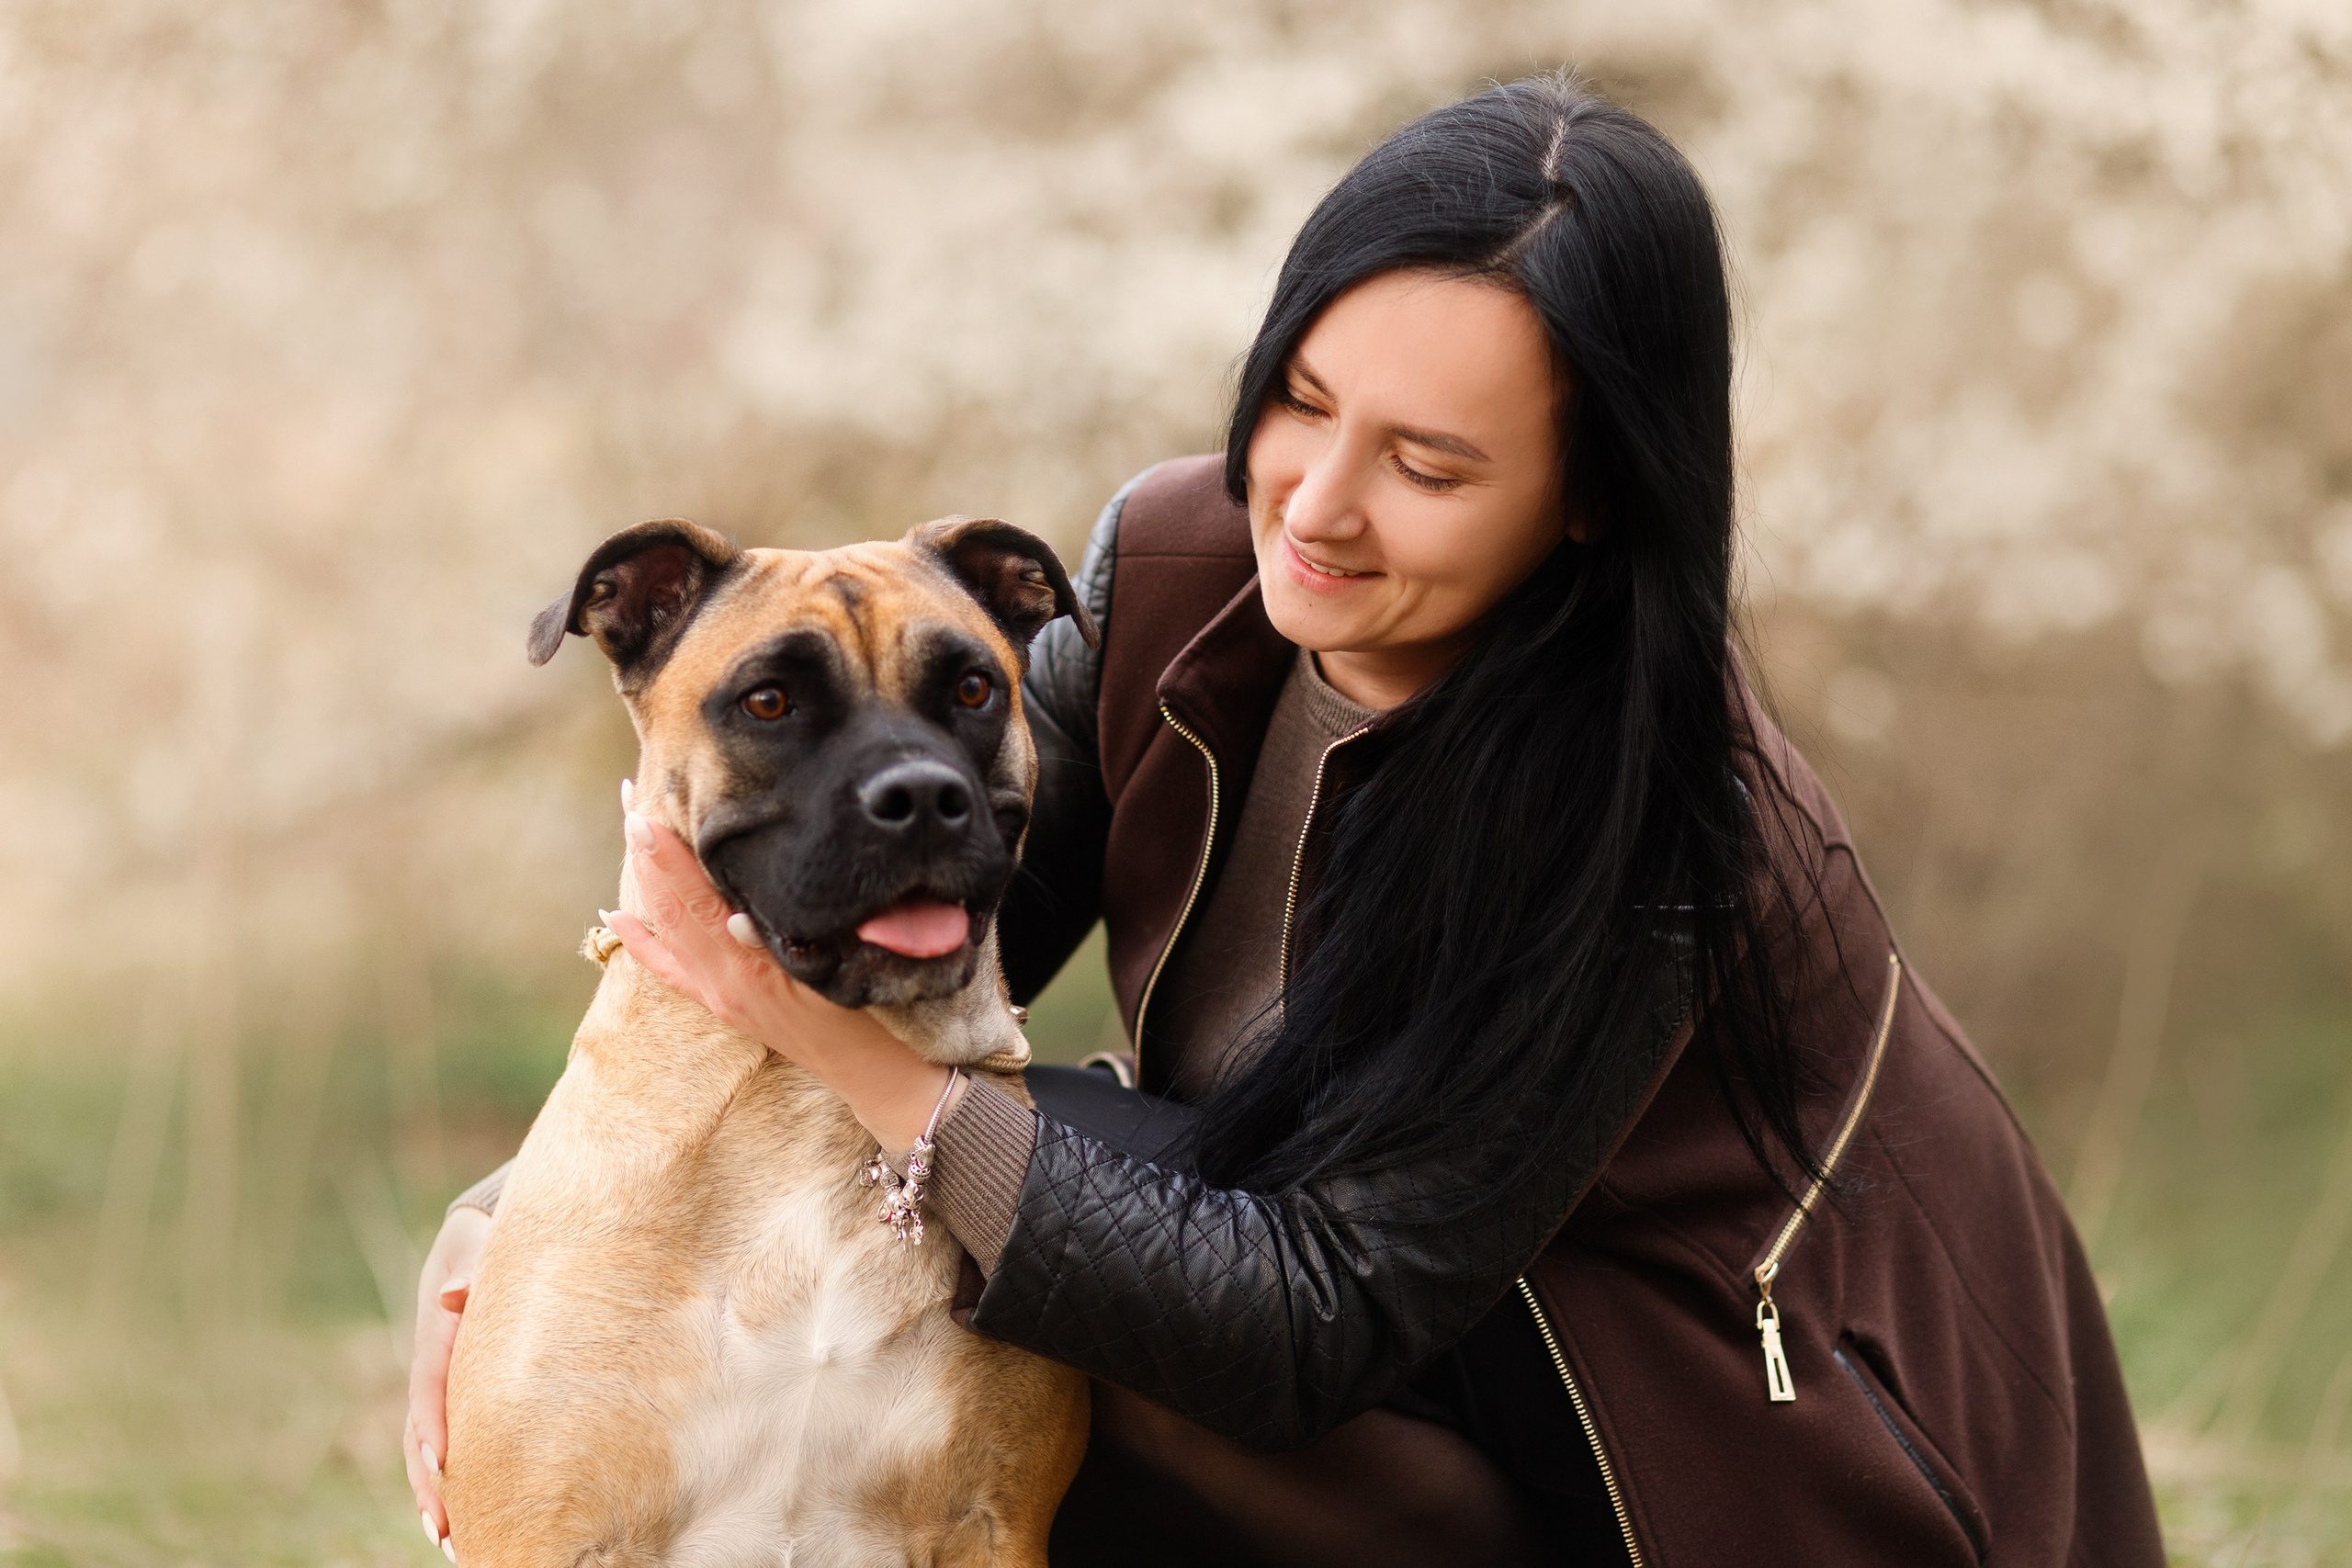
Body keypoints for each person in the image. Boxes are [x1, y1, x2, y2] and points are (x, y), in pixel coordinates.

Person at [407, 73, 2165, 1564]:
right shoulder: (1183, 574)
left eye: (1430, 463)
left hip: (1731, 1461)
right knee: (1054, 1199)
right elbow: (864, 939)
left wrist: (850, 1064)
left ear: (1591, 501)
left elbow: (1296, 1319)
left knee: (1060, 1265)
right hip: (1373, 1347)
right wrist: (520, 1234)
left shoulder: (1652, 819)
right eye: (1303, 405)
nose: (1315, 508)